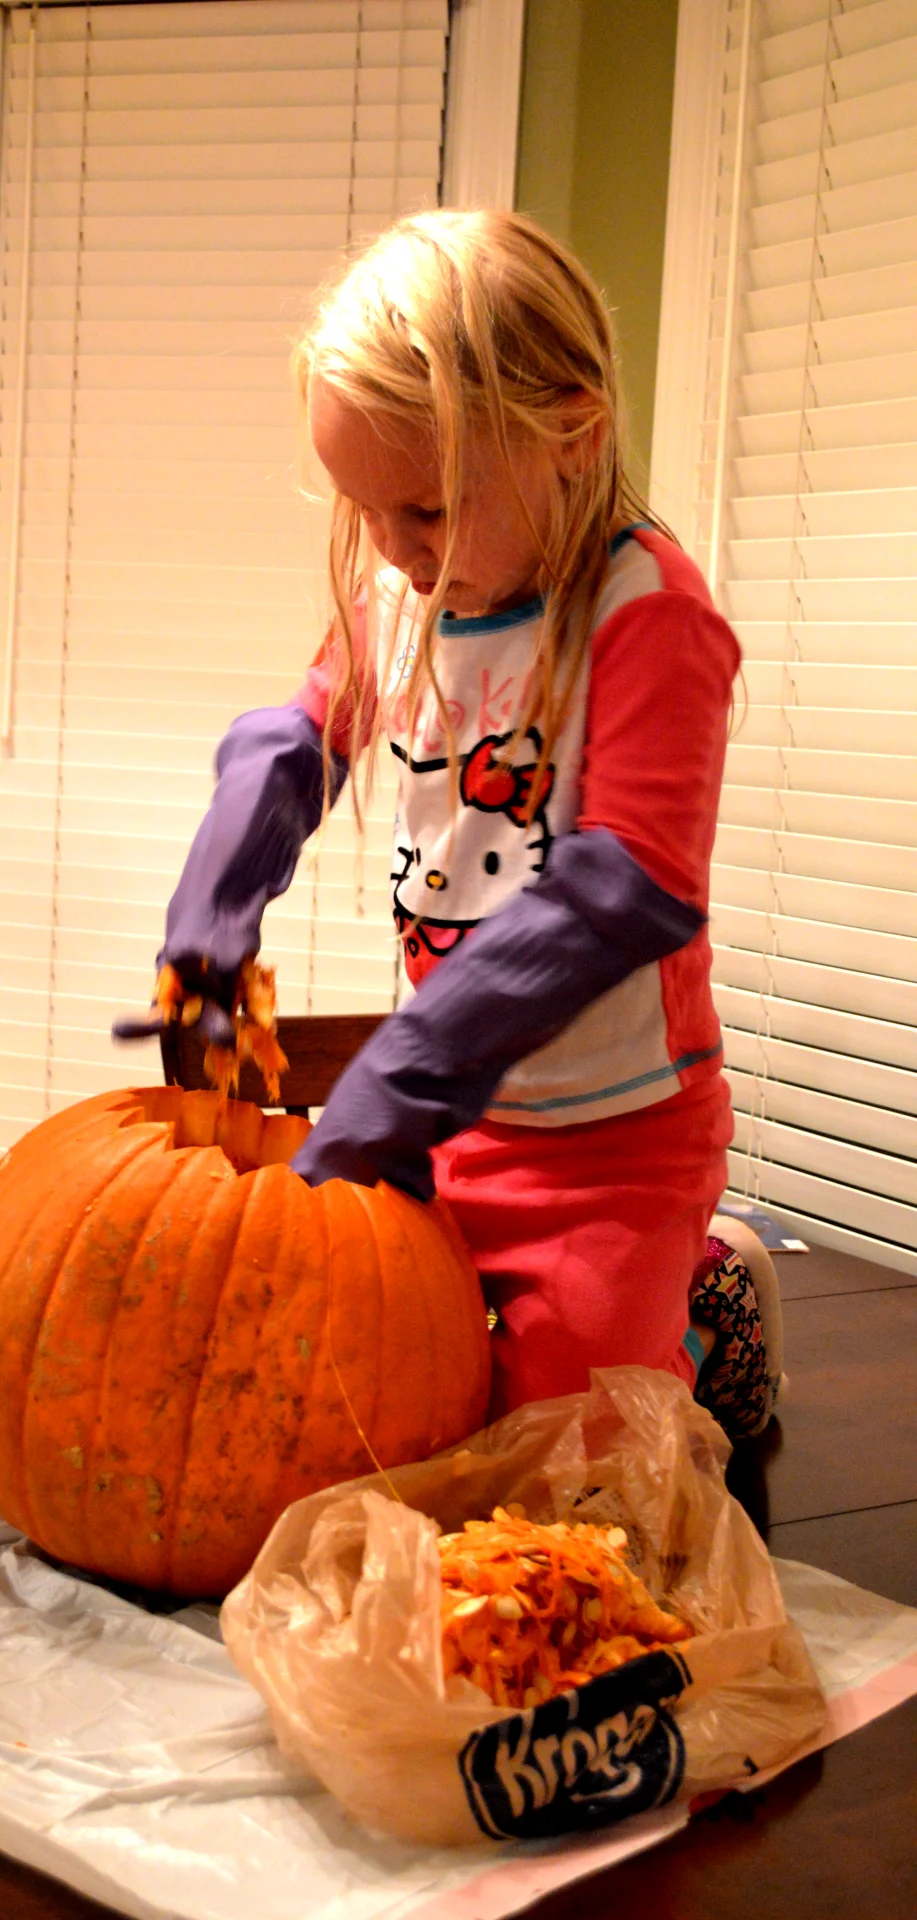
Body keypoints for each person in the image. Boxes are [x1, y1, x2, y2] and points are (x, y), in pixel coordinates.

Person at [119, 209, 781, 1440]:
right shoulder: (401, 591)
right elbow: (301, 738)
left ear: (571, 434)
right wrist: (213, 910)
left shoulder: (647, 612)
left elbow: (626, 882)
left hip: (613, 1142)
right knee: (381, 1407)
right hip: (456, 1122)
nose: (391, 550)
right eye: (363, 508)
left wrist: (410, 1064)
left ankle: (707, 1306)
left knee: (562, 1450)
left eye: (423, 510)